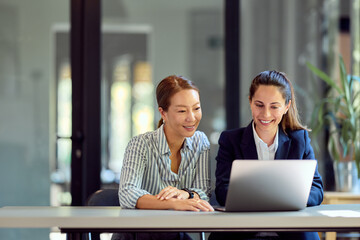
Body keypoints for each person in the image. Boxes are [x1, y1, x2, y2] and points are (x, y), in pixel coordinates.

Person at [210, 70, 323, 240]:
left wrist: (286, 198)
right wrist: (273, 199)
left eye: (274, 106)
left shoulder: (300, 140)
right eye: (259, 105)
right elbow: (222, 191)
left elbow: (317, 190)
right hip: (242, 233)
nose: (266, 114)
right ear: (250, 102)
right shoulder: (230, 140)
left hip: (292, 233)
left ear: (286, 106)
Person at [114, 75, 214, 240]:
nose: (192, 117)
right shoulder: (140, 144)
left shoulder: (200, 141)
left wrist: (185, 194)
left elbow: (203, 192)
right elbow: (127, 194)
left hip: (175, 234)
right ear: (163, 113)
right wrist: (174, 204)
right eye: (182, 111)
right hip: (137, 234)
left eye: (196, 108)